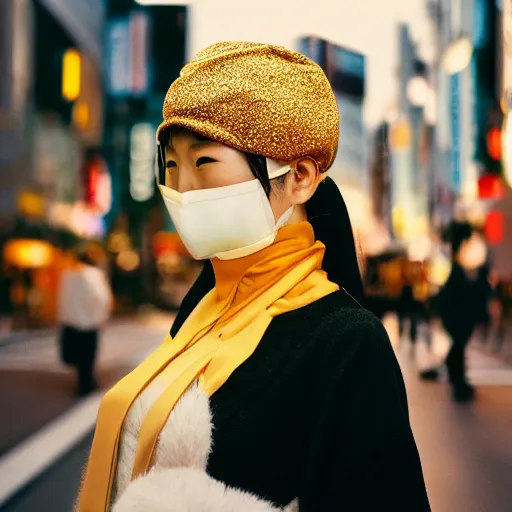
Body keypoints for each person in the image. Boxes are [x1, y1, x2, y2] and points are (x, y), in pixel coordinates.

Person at [77, 42, 430, 511]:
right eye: (171, 166)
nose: (182, 191)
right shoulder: (201, 307)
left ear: (299, 176)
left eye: (204, 163)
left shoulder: (349, 343)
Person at [422, 223, 492, 402]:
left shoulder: (458, 270)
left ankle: (457, 379)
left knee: (458, 347)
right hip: (458, 315)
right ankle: (458, 382)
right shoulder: (457, 270)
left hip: (457, 315)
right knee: (458, 347)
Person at [58, 249, 112, 395]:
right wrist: (102, 317)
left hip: (72, 322)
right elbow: (101, 297)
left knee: (78, 355)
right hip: (89, 322)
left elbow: (63, 299)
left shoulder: (68, 274)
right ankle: (87, 384)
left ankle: (82, 383)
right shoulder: (94, 275)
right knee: (88, 356)